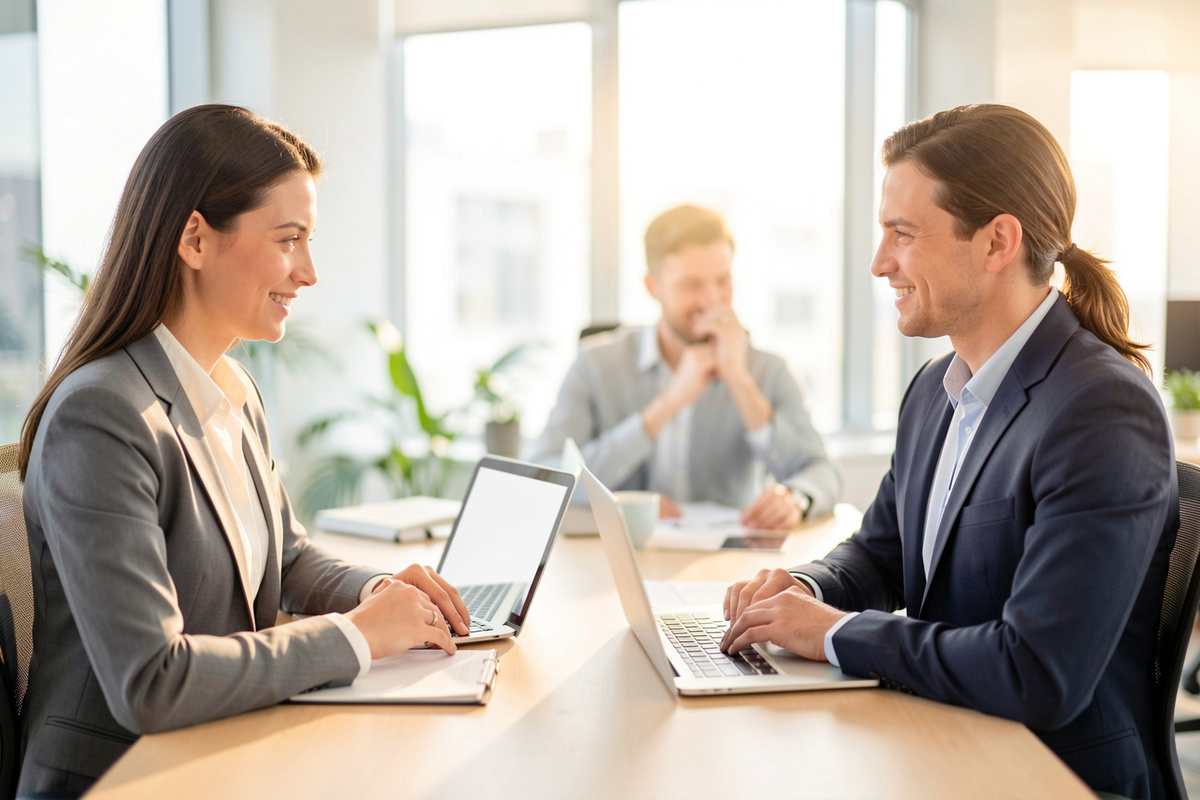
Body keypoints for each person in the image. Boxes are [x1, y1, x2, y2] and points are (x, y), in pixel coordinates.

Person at [721, 104, 1177, 799]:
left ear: (997, 243)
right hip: (942, 744)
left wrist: (837, 634)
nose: (880, 264)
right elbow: (880, 552)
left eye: (903, 234)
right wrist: (805, 589)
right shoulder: (936, 389)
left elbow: (1037, 673)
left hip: (1048, 777)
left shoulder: (1101, 412)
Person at [16, 104, 473, 795]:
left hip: (223, 750)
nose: (310, 272)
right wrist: (358, 636)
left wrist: (376, 591)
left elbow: (284, 555)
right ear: (195, 240)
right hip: (122, 777)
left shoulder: (230, 387)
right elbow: (150, 681)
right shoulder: (102, 414)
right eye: (289, 239)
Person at [528, 204, 840, 529]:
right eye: (691, 285)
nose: (711, 300)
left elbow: (822, 472)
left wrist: (739, 380)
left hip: (731, 562)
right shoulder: (595, 365)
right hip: (620, 557)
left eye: (722, 281)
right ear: (653, 287)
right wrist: (668, 403)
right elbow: (544, 475)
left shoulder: (768, 370)